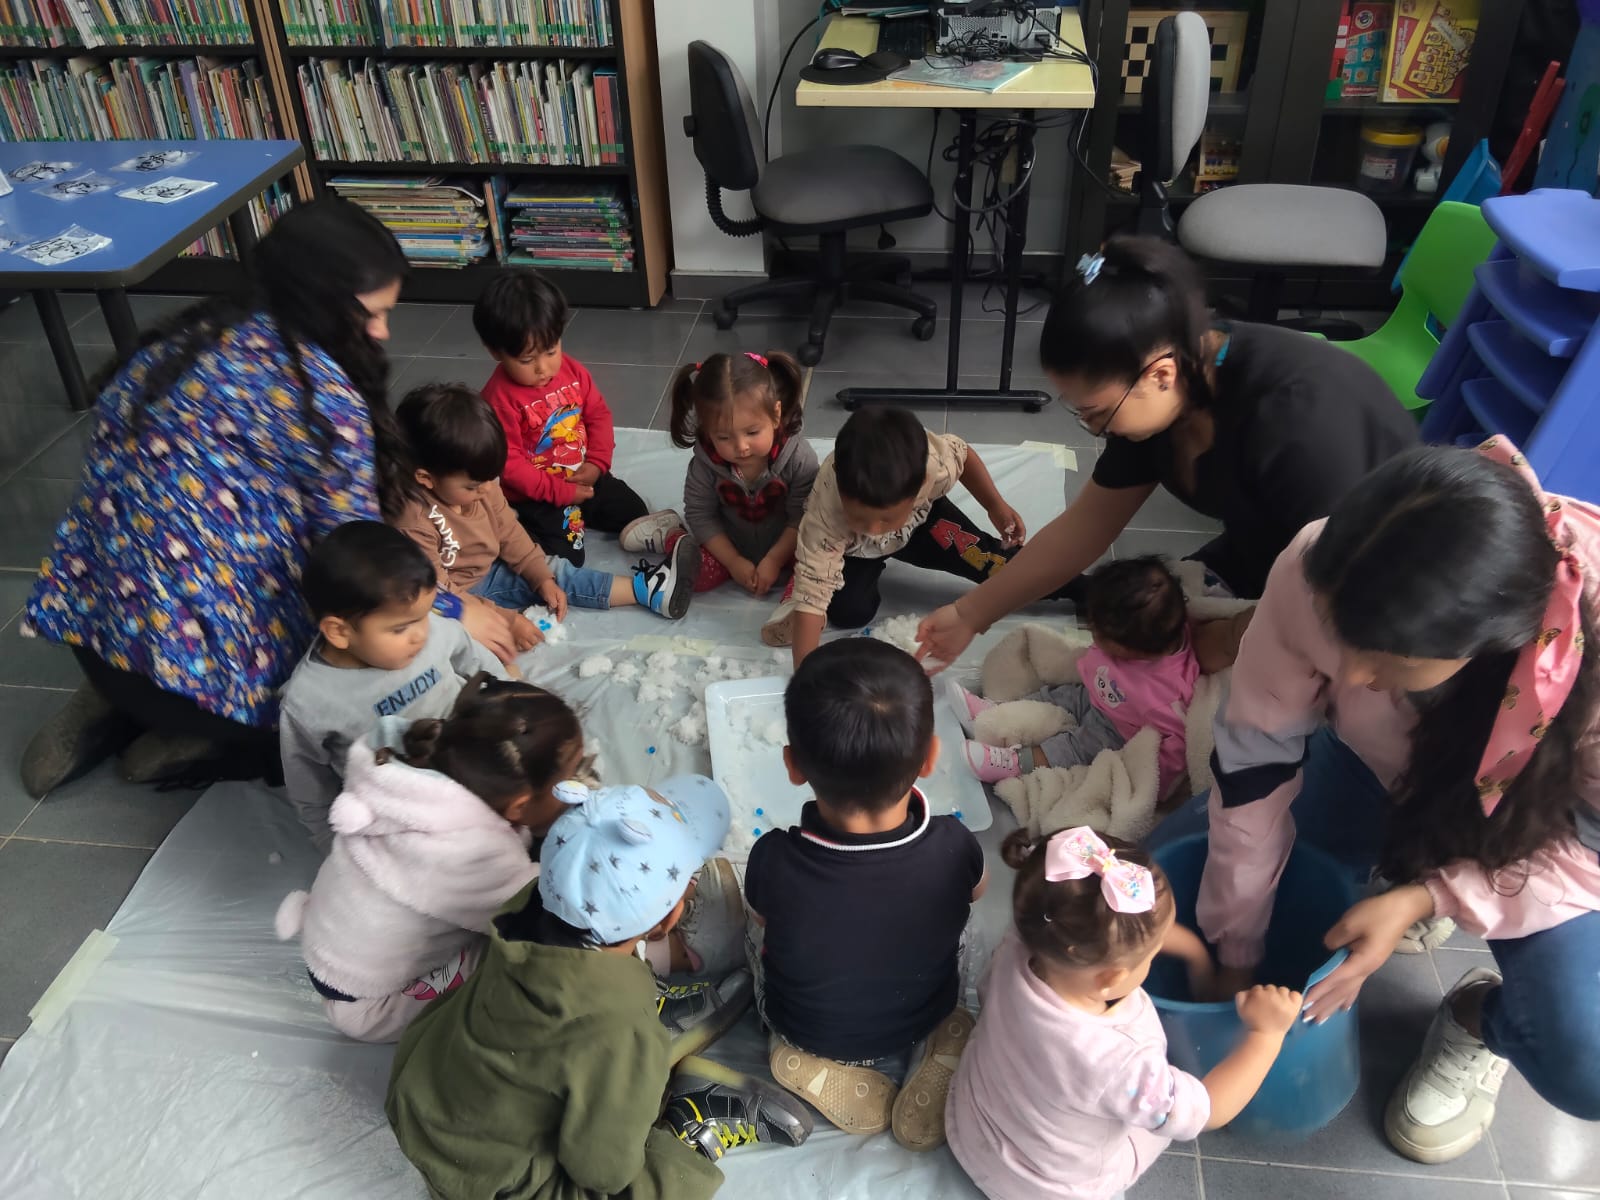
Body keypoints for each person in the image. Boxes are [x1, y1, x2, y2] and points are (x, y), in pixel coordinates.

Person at [1169, 440, 1600, 1164]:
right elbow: (1254, 765)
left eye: (1391, 664)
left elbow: (1590, 851)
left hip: (1544, 838)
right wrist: (1235, 949)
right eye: (1341, 639)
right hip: (1377, 770)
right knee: (1153, 890)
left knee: (1584, 1060)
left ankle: (1481, 1019)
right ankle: (1396, 864)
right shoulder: (1324, 560)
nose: (1349, 676)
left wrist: (1429, 897)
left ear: (1491, 643)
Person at [20, 198, 523, 798]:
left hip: (96, 634)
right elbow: (361, 561)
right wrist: (451, 609)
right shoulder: (321, 400)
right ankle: (206, 734)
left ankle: (114, 700)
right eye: (373, 314)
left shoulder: (179, 346)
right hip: (196, 683)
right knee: (350, 667)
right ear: (322, 303)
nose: (385, 332)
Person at [914, 235, 1416, 669]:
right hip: (1268, 550)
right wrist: (970, 614)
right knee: (1141, 639)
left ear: (1161, 374)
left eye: (1096, 412)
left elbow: (1333, 591)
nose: (1093, 428)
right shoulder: (1167, 398)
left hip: (1374, 590)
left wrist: (1229, 638)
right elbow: (1085, 527)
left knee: (1202, 690)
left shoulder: (1296, 423)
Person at [386, 776, 814, 1199]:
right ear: (665, 923)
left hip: (420, 1100)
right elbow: (603, 1170)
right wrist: (627, 1046)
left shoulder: (529, 906)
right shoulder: (616, 1031)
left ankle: (646, 1019)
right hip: (488, 1179)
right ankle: (691, 1119)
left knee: (606, 1044)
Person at [946, 826, 1302, 1200]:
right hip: (1044, 1185)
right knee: (1149, 1132)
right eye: (1148, 956)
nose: (1155, 953)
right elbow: (1209, 1110)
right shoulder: (1117, 1062)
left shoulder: (1027, 943)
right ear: (1111, 978)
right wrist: (1266, 1035)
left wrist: (1194, 951)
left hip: (976, 1125)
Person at [744, 638, 987, 1150]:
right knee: (962, 928)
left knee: (753, 924)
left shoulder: (773, 858)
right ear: (931, 758)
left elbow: (764, 921)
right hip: (926, 1009)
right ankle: (941, 1041)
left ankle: (803, 1057)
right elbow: (979, 891)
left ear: (792, 765)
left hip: (809, 1026)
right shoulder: (954, 844)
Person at [274, 674, 582, 1042]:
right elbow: (546, 908)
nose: (577, 787)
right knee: (521, 961)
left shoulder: (406, 766)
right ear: (518, 806)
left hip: (329, 944)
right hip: (369, 1005)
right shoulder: (471, 854)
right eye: (569, 779)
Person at [278, 522, 510, 850]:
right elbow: (308, 784)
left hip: (469, 757)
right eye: (401, 628)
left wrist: (512, 696)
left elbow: (472, 656)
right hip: (399, 804)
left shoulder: (432, 631)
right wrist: (331, 844)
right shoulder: (308, 702)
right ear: (340, 632)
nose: (421, 634)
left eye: (425, 615)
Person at [392, 382, 699, 624]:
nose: (487, 489)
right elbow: (438, 596)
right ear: (426, 478)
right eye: (472, 486)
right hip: (467, 590)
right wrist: (502, 619)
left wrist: (538, 573)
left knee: (551, 572)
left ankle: (651, 588)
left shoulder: (482, 485)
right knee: (556, 580)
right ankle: (645, 591)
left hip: (491, 558)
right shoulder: (414, 520)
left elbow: (508, 530)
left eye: (490, 479)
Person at [766, 407, 1037, 666]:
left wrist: (995, 506)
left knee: (991, 563)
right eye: (859, 517)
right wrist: (805, 674)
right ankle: (795, 594)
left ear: (920, 487)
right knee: (848, 612)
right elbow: (813, 600)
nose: (873, 529)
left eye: (885, 518)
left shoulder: (932, 465)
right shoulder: (825, 515)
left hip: (921, 526)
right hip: (855, 550)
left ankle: (1077, 588)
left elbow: (963, 455)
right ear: (841, 488)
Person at [472, 269, 676, 565]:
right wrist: (559, 492)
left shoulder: (573, 371)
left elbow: (598, 415)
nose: (543, 368)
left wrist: (597, 462)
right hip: (538, 496)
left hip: (584, 475)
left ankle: (582, 511)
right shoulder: (499, 399)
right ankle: (514, 529)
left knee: (634, 511)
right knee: (568, 558)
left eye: (551, 350)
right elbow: (510, 464)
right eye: (527, 360)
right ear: (495, 351)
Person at [956, 556, 1199, 795]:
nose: (1092, 635)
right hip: (1092, 692)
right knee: (1052, 696)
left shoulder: (1165, 695)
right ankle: (994, 712)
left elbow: (1175, 749)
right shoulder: (1146, 631)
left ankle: (1016, 762)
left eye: (1098, 634)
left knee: (1073, 747)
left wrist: (1152, 784)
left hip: (1118, 731)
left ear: (1131, 652)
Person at [625, 350, 818, 596]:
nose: (741, 446)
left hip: (788, 547)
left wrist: (774, 560)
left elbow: (802, 519)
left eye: (752, 432)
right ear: (707, 431)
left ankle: (790, 617)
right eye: (723, 437)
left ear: (776, 415)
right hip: (728, 544)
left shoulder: (800, 459)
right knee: (691, 574)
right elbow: (701, 515)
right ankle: (671, 535)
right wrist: (734, 562)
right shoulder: (704, 465)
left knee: (815, 573)